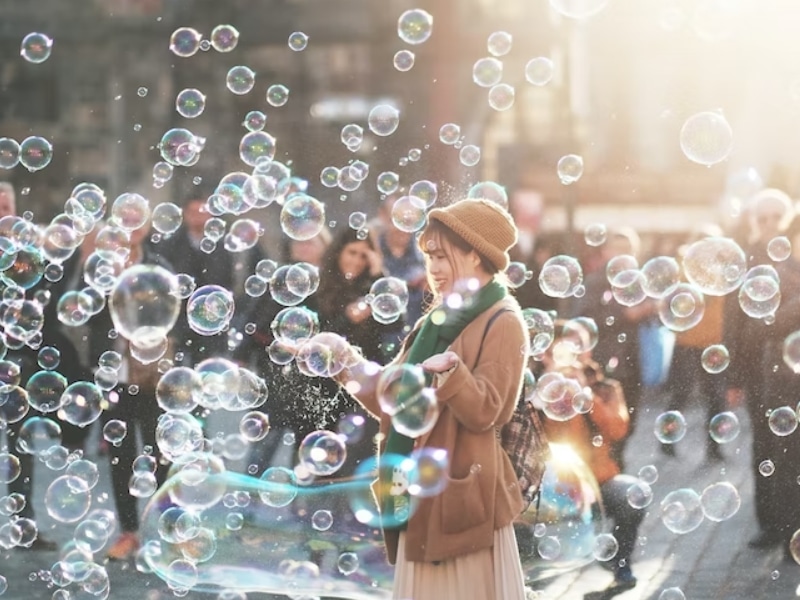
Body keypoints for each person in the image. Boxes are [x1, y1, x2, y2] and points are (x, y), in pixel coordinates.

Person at [334, 198, 528, 599]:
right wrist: (343, 361)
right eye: (429, 257)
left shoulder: (503, 320)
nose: (432, 269)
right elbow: (395, 396)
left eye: (442, 256)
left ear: (475, 255)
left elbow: (490, 411)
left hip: (462, 506)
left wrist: (452, 373)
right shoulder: (435, 321)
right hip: (417, 493)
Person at [0, 182, 90, 551]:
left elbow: (51, 291)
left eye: (7, 201)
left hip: (19, 358)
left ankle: (24, 525)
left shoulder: (29, 251)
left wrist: (71, 244)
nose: (3, 207)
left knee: (21, 442)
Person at [90, 220, 174, 560]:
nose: (131, 227)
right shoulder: (98, 267)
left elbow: (170, 314)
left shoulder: (159, 267)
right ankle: (128, 532)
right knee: (120, 456)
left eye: (138, 220)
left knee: (161, 451)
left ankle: (167, 529)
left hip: (152, 373)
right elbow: (89, 317)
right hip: (115, 373)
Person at [536, 324, 644, 591]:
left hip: (598, 481)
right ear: (548, 354)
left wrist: (586, 396)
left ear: (589, 351)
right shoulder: (534, 389)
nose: (573, 356)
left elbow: (619, 429)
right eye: (563, 350)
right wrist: (548, 390)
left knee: (634, 494)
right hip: (549, 484)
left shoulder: (606, 387)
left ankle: (619, 566)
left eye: (578, 348)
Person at [725, 188, 800, 554]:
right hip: (759, 370)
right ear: (754, 222)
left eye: (776, 217)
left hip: (793, 369)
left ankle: (791, 525)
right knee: (765, 447)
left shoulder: (795, 259)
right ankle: (769, 523)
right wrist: (734, 377)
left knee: (792, 451)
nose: (770, 223)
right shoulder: (748, 260)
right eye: (763, 217)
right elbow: (734, 324)